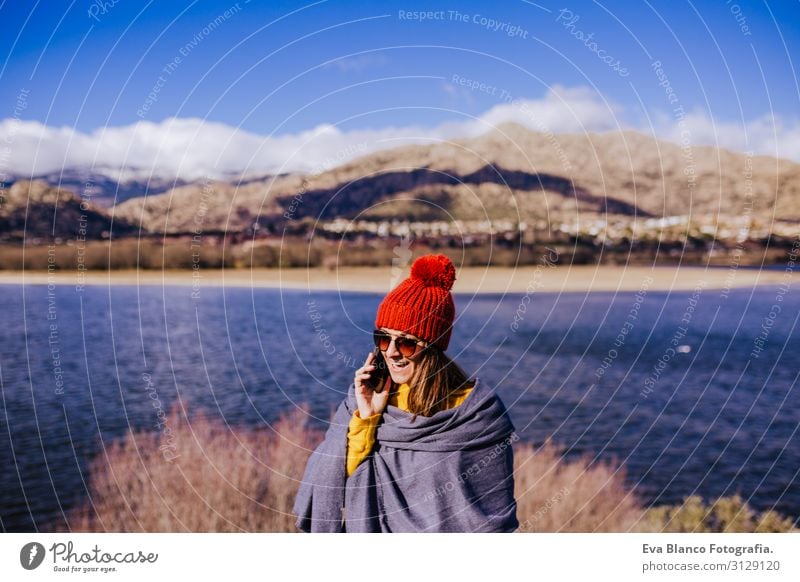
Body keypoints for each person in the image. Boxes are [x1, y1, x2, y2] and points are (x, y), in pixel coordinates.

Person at [293, 254, 518, 532]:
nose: (392, 352)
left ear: (434, 346)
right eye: (383, 339)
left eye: (408, 343)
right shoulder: (362, 397)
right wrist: (367, 418)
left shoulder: (476, 415)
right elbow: (332, 484)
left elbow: (488, 515)